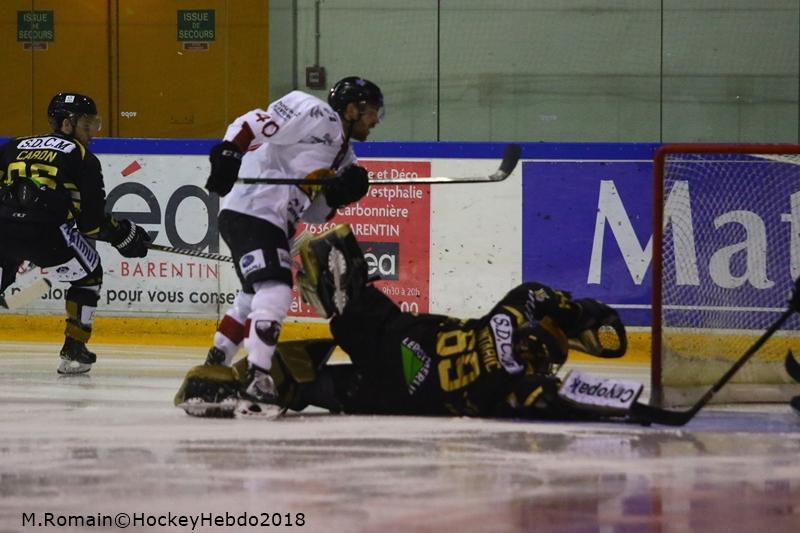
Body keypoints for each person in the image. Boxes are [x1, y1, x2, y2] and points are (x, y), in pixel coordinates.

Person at [176, 225, 633, 421]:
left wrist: (578, 314)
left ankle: (290, 266)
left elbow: (533, 293)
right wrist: (625, 406)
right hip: (396, 394)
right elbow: (551, 398)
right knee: (311, 386)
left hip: (396, 342)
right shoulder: (507, 384)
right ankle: (228, 389)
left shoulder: (505, 321)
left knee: (339, 267)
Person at [201, 76, 383, 408]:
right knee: (276, 289)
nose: (376, 121)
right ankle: (258, 378)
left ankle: (214, 365)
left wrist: (340, 193)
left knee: (251, 297)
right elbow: (252, 122)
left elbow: (315, 213)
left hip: (270, 220)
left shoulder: (345, 157)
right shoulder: (315, 112)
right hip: (253, 208)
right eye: (372, 111)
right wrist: (229, 153)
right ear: (352, 109)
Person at [0, 92, 151, 374]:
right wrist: (125, 235)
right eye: (86, 125)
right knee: (89, 274)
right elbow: (91, 224)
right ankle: (73, 351)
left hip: (2, 230)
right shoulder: (82, 156)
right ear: (66, 124)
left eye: (95, 124)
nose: (92, 133)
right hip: (48, 235)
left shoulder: (13, 146)